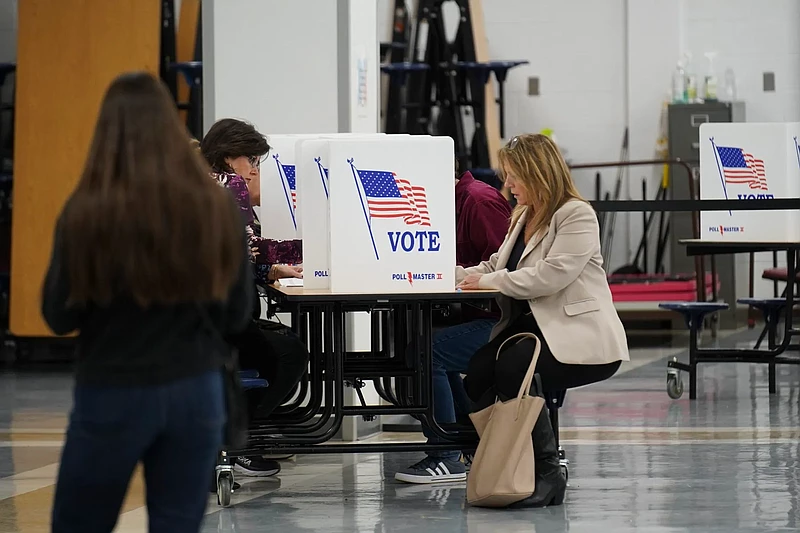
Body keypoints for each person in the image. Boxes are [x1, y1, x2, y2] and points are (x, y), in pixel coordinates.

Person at [43, 72, 254, 533]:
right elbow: (239, 314)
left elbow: (56, 315)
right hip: (195, 390)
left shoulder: (85, 211)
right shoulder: (216, 209)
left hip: (112, 388)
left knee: (80, 522)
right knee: (177, 522)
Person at [462, 133, 628, 506]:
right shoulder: (522, 214)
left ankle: (548, 474)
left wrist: (488, 279)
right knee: (478, 374)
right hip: (528, 331)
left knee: (515, 370)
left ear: (537, 173)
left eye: (513, 176)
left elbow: (552, 274)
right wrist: (454, 275)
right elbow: (496, 264)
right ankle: (507, 464)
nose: (508, 185)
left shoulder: (576, 214)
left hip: (575, 336)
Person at [200, 118, 310, 476]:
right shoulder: (228, 185)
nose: (254, 170)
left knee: (278, 345)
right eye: (253, 160)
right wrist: (313, 248)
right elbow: (249, 247)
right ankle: (241, 440)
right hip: (221, 319)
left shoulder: (194, 184)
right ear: (232, 157)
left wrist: (276, 270)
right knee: (289, 353)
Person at [395, 164, 512, 484]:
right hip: (483, 314)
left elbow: (504, 270)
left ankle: (445, 455)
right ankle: (469, 443)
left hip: (504, 320)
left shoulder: (478, 202)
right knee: (424, 348)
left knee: (425, 353)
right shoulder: (458, 202)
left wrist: (452, 276)